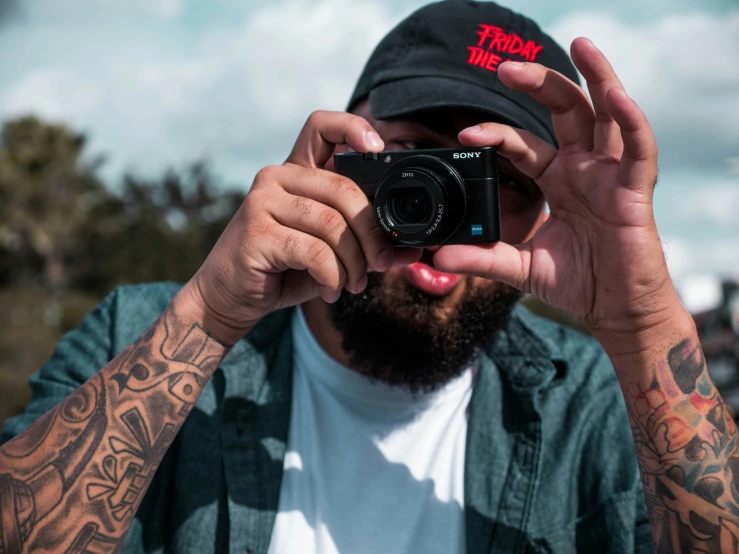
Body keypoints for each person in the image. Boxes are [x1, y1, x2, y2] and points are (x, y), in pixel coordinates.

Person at [1, 1, 737, 552]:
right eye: (413, 165)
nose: (441, 218)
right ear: (335, 152)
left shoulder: (596, 401)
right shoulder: (143, 335)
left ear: (545, 215)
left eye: (491, 184)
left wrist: (644, 330)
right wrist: (210, 316)